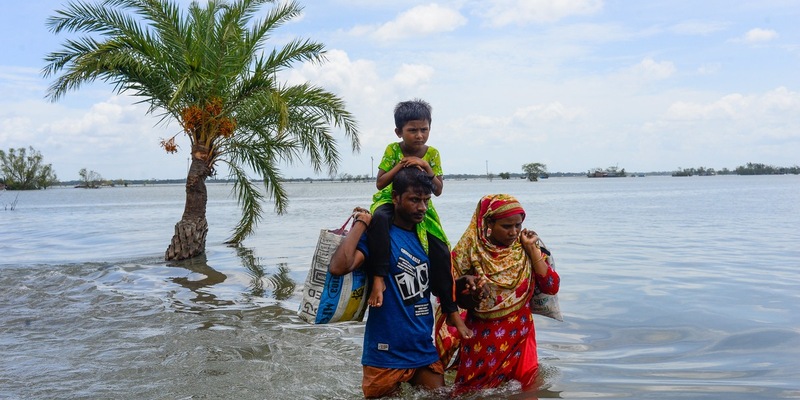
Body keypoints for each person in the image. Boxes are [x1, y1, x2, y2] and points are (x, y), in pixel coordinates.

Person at [329, 167, 454, 398]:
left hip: (422, 348)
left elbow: (441, 283)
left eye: (426, 201)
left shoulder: (428, 237)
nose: (422, 208)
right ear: (395, 198)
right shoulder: (380, 237)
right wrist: (361, 224)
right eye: (414, 200)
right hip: (384, 352)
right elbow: (339, 266)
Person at [366, 98, 469, 338]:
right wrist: (401, 166)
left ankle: (451, 309)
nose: (419, 136)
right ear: (399, 131)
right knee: (380, 220)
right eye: (412, 130)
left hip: (422, 202)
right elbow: (381, 182)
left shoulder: (432, 153)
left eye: (424, 130)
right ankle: (379, 278)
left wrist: (425, 166)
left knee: (441, 249)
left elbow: (439, 189)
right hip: (391, 200)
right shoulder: (393, 149)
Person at [439, 194, 561, 395]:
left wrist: (532, 249)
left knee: (525, 389)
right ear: (488, 223)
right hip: (482, 337)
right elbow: (450, 295)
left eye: (518, 225)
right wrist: (474, 293)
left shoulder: (528, 248)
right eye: (506, 226)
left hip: (521, 334)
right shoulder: (469, 251)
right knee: (470, 391)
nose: (514, 232)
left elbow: (551, 286)